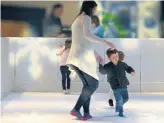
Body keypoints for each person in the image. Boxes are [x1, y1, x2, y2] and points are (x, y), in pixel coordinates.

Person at [66, 1, 115, 121]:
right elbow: (88, 36)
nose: (95, 11)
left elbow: (82, 40)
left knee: (88, 86)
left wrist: (96, 55)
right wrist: (106, 42)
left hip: (76, 57)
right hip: (81, 59)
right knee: (93, 84)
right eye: (94, 8)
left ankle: (86, 113)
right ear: (90, 8)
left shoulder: (78, 18)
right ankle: (76, 109)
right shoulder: (86, 18)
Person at [98, 49, 135, 117]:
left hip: (124, 85)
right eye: (113, 57)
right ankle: (120, 113)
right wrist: (100, 64)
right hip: (115, 87)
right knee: (119, 100)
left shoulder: (122, 64)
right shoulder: (108, 66)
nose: (116, 58)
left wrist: (131, 71)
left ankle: (118, 106)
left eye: (117, 56)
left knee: (126, 99)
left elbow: (128, 68)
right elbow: (103, 72)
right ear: (109, 58)